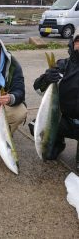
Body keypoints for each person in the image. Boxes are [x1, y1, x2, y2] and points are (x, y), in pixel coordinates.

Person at [33, 28, 79, 168]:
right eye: (78, 40)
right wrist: (46, 79)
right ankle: (58, 143)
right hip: (63, 120)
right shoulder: (62, 66)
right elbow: (37, 89)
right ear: (73, 43)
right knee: (36, 126)